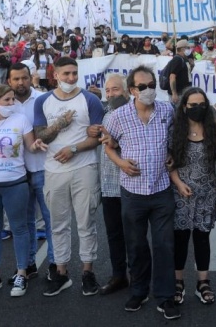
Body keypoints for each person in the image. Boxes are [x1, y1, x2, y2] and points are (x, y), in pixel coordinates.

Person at [105, 65, 180, 319]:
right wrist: (121, 163)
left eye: (152, 85)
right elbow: (109, 146)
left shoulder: (167, 110)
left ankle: (166, 296)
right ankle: (138, 291)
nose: (149, 90)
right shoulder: (118, 116)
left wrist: (171, 155)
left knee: (164, 246)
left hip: (161, 191)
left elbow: (174, 140)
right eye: (143, 87)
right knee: (136, 246)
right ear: (132, 90)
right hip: (132, 193)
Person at [33, 56, 105, 297]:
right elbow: (42, 135)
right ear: (55, 75)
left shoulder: (91, 100)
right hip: (54, 171)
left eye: (74, 73)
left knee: (86, 222)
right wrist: (60, 124)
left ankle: (88, 272)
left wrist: (74, 148)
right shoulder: (43, 101)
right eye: (66, 74)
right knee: (58, 224)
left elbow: (97, 137)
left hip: (85, 167)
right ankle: (61, 273)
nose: (71, 78)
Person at [0, 84, 42, 297]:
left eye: (13, 100)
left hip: (15, 183)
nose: (12, 104)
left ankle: (22, 272)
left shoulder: (21, 120)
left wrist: (37, 144)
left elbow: (30, 146)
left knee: (19, 228)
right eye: (7, 101)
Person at [168, 87, 216, 306]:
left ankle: (203, 283)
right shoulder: (175, 131)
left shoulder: (213, 129)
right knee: (180, 239)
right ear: (184, 107)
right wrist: (179, 184)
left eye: (201, 105)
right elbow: (169, 163)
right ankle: (178, 282)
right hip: (180, 193)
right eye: (192, 105)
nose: (197, 109)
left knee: (202, 238)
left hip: (206, 192)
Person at [7, 63, 53, 282]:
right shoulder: (4, 103)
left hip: (45, 168)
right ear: (9, 81)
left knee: (52, 220)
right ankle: (28, 265)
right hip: (18, 174)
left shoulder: (44, 99)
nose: (20, 83)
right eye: (15, 79)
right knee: (25, 223)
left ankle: (55, 265)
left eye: (24, 78)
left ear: (30, 78)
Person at [97, 73, 130, 295]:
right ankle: (119, 275)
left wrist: (116, 142)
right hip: (109, 184)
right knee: (114, 233)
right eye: (107, 90)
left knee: (135, 234)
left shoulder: (135, 112)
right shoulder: (106, 113)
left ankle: (138, 275)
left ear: (126, 91)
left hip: (132, 182)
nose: (110, 94)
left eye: (115, 89)